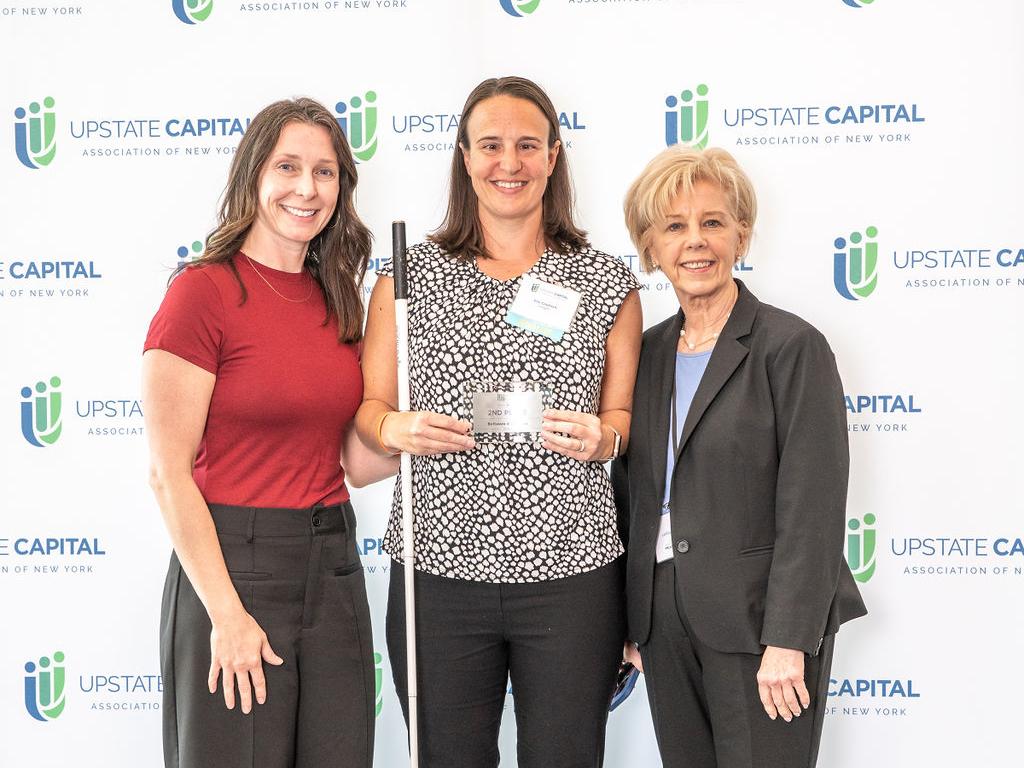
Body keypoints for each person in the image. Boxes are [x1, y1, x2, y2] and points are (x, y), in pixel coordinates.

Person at [355, 75, 642, 768]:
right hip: (440, 572)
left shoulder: (607, 282)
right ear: (463, 154)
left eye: (525, 145)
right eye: (489, 145)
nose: (507, 163)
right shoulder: (407, 278)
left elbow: (621, 418)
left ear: (553, 156)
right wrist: (396, 430)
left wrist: (605, 437)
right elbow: (368, 412)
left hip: (572, 571)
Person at [143, 97, 392, 768]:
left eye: (326, 171)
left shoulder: (336, 295)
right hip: (233, 566)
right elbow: (168, 472)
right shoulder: (203, 292)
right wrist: (226, 615)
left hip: (333, 564)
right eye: (288, 167)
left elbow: (357, 464)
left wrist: (424, 427)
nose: (307, 188)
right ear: (253, 173)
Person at [614, 145, 867, 768]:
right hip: (664, 621)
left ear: (742, 235)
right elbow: (627, 491)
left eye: (713, 222)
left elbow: (813, 504)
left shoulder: (791, 347)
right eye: (674, 226)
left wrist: (788, 639)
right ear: (650, 247)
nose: (695, 242)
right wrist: (632, 620)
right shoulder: (642, 353)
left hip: (760, 625)